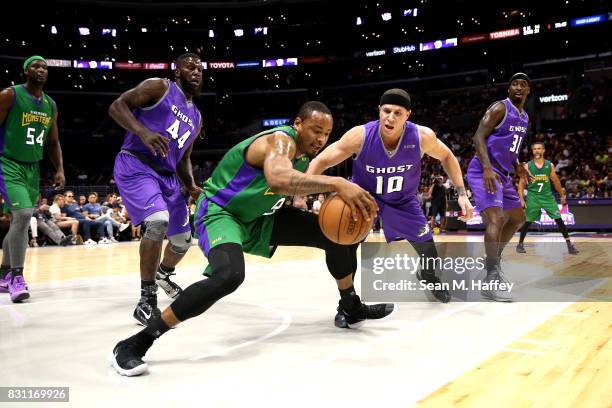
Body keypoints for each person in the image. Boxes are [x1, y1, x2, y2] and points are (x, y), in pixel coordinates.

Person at [110, 101, 393, 376]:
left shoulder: (305, 154)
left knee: (338, 236)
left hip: (260, 217)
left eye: (326, 133)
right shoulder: (282, 140)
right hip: (222, 212)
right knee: (229, 275)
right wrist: (338, 182)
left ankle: (351, 307)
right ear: (298, 124)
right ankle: (138, 341)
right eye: (315, 129)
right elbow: (279, 179)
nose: (320, 138)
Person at [308, 88, 473, 311]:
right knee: (345, 245)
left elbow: (446, 156)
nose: (390, 117)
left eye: (398, 112)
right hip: (363, 198)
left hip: (403, 200)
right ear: (379, 110)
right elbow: (322, 160)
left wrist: (462, 194)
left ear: (408, 115)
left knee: (429, 253)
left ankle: (428, 275)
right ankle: (348, 302)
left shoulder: (421, 137)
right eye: (386, 111)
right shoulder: (361, 135)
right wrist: (305, 185)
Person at [109, 53, 204, 325]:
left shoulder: (196, 117)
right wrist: (143, 132)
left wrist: (191, 186)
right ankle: (146, 299)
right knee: (157, 222)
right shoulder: (159, 87)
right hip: (136, 164)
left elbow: (184, 157)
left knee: (183, 241)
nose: (196, 71)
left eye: (200, 68)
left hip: (168, 176)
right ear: (177, 71)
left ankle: (163, 274)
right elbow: (117, 107)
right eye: (190, 66)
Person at [0, 56, 65, 302]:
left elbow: (53, 141)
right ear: (26, 70)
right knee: (25, 215)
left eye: (44, 67)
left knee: (19, 219)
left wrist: (59, 168)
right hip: (7, 163)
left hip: (32, 168)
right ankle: (17, 277)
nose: (41, 70)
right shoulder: (10, 95)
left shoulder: (50, 104)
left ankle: (4, 274)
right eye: (35, 66)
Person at [466, 73, 532, 302]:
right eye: (514, 83)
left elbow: (509, 148)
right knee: (496, 220)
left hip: (502, 174)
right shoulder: (499, 108)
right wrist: (486, 168)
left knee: (517, 218)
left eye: (523, 84)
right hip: (484, 171)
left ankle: (492, 262)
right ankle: (492, 276)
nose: (518, 87)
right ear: (509, 89)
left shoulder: (524, 118)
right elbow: (478, 137)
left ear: (528, 91)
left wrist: (518, 166)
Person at [516, 142, 579, 254]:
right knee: (528, 221)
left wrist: (562, 196)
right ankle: (520, 244)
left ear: (543, 150)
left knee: (559, 219)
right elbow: (521, 184)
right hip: (533, 197)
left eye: (539, 148)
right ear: (532, 151)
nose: (537, 151)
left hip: (547, 197)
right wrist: (521, 199)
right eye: (535, 149)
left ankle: (569, 245)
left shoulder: (549, 165)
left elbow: (556, 181)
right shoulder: (527, 166)